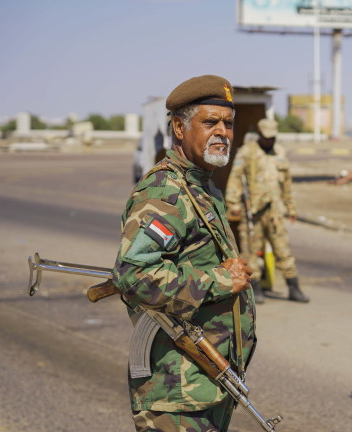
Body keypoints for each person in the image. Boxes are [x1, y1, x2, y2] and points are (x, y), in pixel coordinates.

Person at [112, 75, 256, 432]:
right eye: (210, 122)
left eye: (228, 123)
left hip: (210, 379)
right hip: (176, 391)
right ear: (179, 127)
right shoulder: (164, 192)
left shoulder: (203, 186)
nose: (222, 132)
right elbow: (133, 276)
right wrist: (221, 280)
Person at [226, 118, 309, 304]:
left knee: (283, 250)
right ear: (260, 135)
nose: (269, 141)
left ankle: (293, 287)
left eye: (272, 138)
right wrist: (233, 204)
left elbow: (286, 184)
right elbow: (235, 179)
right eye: (266, 137)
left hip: (275, 211)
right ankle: (255, 288)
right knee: (251, 252)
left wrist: (291, 207)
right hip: (253, 211)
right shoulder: (247, 152)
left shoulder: (280, 153)